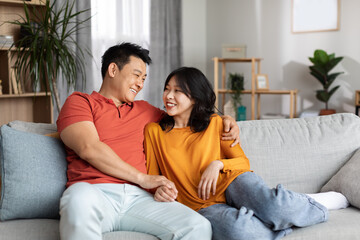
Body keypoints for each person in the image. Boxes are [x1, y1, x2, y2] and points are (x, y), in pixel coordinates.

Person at [56, 42, 240, 240]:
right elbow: (88, 148)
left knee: (197, 225)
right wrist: (143, 179)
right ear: (113, 69)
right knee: (78, 198)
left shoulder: (145, 110)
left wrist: (225, 120)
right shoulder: (80, 102)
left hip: (140, 200)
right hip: (96, 193)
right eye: (136, 75)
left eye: (144, 78)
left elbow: (187, 115)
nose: (140, 84)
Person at [144, 67, 349, 240]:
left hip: (233, 182)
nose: (168, 96)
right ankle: (286, 215)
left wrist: (218, 164)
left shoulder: (216, 123)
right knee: (240, 231)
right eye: (166, 89)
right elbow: (154, 177)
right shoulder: (154, 131)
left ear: (195, 97)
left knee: (276, 207)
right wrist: (160, 190)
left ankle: (313, 204)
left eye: (177, 91)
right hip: (200, 205)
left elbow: (243, 163)